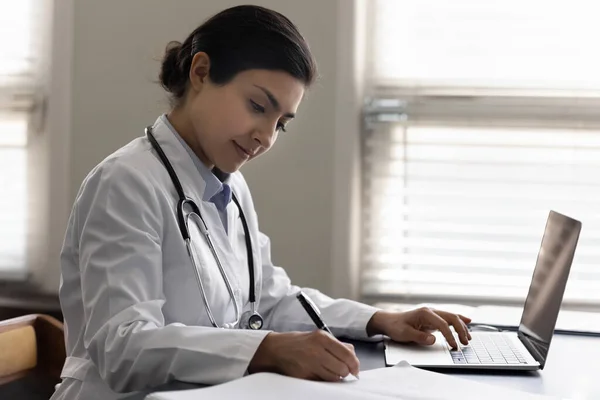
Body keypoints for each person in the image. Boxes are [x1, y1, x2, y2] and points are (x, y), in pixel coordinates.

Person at [51, 5, 471, 400]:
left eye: (280, 125)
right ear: (201, 72)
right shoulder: (126, 183)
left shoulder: (229, 189)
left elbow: (270, 300)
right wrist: (264, 349)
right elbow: (123, 348)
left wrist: (378, 320)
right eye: (257, 106)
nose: (265, 137)